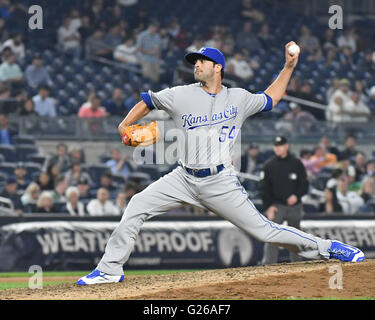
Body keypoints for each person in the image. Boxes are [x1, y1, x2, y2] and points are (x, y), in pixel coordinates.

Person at [77, 44, 364, 286]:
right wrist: (125, 124)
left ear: (218, 68)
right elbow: (148, 100)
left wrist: (288, 67)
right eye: (195, 61)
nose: (197, 65)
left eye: (203, 61)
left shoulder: (237, 98)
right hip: (183, 178)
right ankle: (110, 269)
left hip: (220, 181)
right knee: (137, 205)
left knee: (265, 231)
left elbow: (271, 98)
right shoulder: (181, 94)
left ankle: (329, 248)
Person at [259, 136, 309, 265]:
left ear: (286, 146)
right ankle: (269, 265)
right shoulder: (269, 166)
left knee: (296, 236)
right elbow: (264, 189)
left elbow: (304, 184)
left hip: (294, 206)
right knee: (272, 236)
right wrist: (269, 206)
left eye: (280, 145)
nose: (277, 148)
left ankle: (297, 265)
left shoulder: (296, 163)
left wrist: (297, 196)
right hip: (277, 206)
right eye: (276, 146)